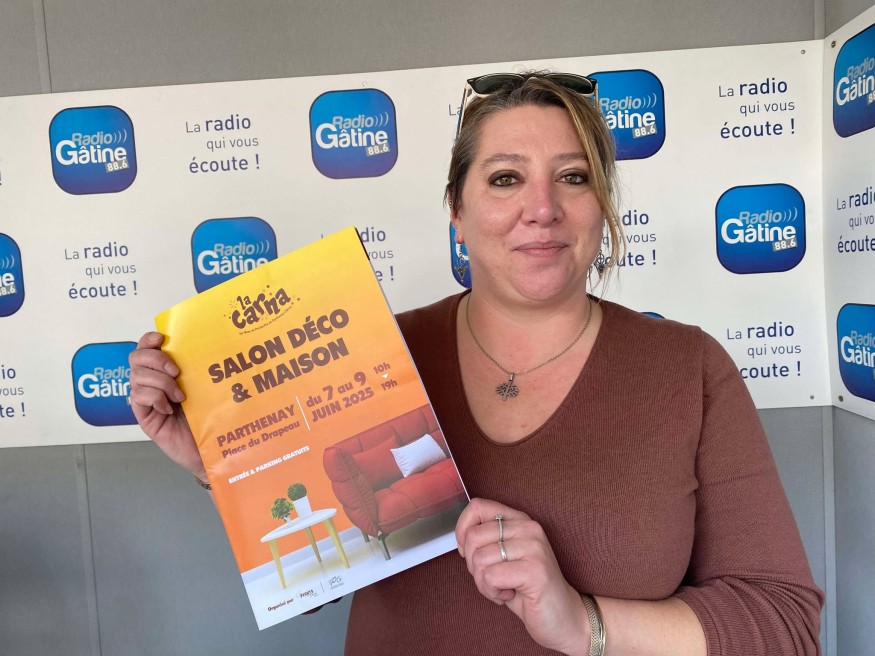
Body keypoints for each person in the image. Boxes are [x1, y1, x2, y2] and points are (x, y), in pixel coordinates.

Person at [129, 72, 824, 656]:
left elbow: (783, 625)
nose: (541, 209)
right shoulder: (375, 355)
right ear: (456, 212)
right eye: (505, 178)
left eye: (572, 177)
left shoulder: (687, 368)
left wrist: (583, 623)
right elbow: (317, 580)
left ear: (602, 206)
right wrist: (223, 465)